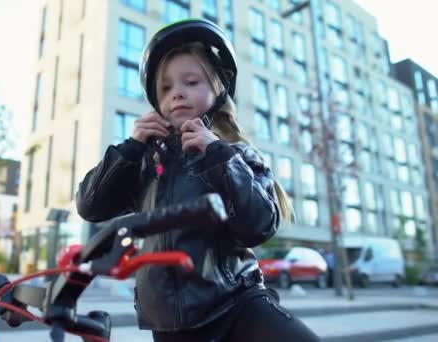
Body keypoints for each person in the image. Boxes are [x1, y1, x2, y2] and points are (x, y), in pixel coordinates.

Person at [76, 19, 319, 341]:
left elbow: (258, 225)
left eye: (191, 82)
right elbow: (90, 206)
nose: (177, 93)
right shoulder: (145, 162)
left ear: (218, 89)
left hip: (237, 304)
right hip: (168, 322)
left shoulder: (236, 154)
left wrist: (217, 155)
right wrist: (130, 149)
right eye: (166, 87)